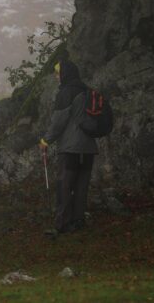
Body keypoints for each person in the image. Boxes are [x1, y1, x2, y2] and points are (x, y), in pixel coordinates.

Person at [39, 58, 98, 235]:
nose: (56, 76)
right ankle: (78, 221)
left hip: (70, 149)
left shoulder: (66, 92)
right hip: (88, 148)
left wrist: (45, 141)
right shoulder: (87, 90)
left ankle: (63, 223)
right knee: (82, 185)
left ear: (65, 74)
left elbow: (58, 122)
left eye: (58, 72)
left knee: (65, 185)